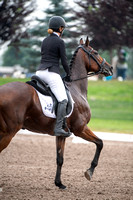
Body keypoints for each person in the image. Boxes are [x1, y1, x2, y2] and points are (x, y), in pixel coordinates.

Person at [36, 16, 71, 137]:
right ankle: (58, 128)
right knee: (63, 99)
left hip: (39, 72)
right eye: (63, 28)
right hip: (51, 73)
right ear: (60, 28)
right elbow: (64, 61)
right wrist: (69, 73)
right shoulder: (60, 42)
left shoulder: (45, 40)